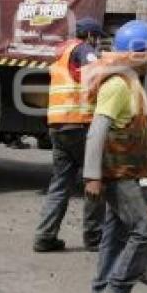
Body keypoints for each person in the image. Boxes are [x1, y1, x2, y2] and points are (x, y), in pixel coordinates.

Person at [82, 20, 147, 293]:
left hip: (126, 170)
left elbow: (134, 129)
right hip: (117, 173)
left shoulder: (131, 83)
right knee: (145, 232)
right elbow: (97, 131)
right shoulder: (117, 85)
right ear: (136, 53)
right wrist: (92, 176)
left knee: (114, 237)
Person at [33, 17, 107, 253]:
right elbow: (95, 74)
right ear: (91, 36)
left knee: (60, 184)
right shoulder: (84, 49)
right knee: (94, 179)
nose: (98, 44)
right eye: (98, 38)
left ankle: (45, 237)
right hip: (80, 125)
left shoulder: (61, 52)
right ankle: (94, 237)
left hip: (58, 126)